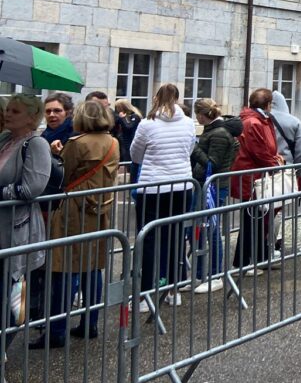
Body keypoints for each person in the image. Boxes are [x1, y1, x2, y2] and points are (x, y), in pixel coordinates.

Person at [35, 101, 120, 347]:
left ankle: (57, 330)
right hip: (99, 208)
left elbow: (64, 174)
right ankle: (90, 322)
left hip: (74, 209)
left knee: (63, 267)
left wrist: (54, 152)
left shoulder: (78, 143)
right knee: (92, 267)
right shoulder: (113, 142)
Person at [129, 84, 195, 311]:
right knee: (176, 236)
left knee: (147, 239)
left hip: (153, 186)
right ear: (177, 99)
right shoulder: (188, 122)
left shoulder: (147, 124)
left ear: (156, 98)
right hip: (182, 184)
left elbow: (135, 154)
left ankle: (145, 293)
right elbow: (189, 149)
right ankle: (173, 288)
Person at [0, 95, 52, 347]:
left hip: (17, 230)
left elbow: (32, 188)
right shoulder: (5, 140)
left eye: (15, 111)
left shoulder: (36, 144)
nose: (8, 114)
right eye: (8, 109)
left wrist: (2, 193)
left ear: (31, 117)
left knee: (12, 296)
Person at [189, 99, 241, 292]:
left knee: (210, 230)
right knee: (202, 230)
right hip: (208, 185)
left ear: (204, 115)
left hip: (213, 187)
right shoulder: (214, 130)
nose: (196, 118)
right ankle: (201, 274)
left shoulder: (218, 133)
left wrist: (194, 149)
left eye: (197, 115)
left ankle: (215, 274)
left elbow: (213, 163)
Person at [231, 89, 282, 272]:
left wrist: (274, 158)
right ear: (267, 104)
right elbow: (259, 151)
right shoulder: (253, 122)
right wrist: (274, 163)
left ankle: (259, 258)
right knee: (252, 218)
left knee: (260, 218)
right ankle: (243, 262)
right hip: (251, 177)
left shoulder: (259, 120)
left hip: (256, 175)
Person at [113, 100, 142, 165]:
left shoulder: (135, 116)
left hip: (130, 141)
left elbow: (129, 127)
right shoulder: (122, 116)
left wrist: (122, 118)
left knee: (128, 161)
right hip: (122, 142)